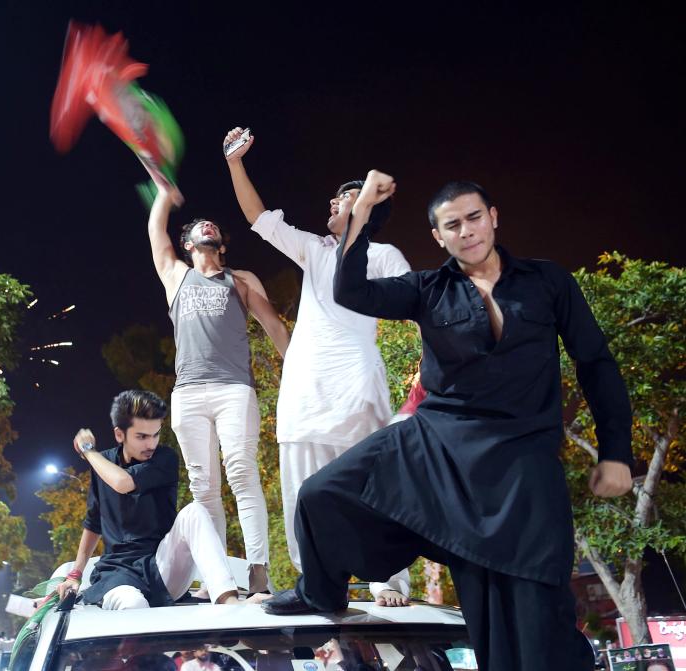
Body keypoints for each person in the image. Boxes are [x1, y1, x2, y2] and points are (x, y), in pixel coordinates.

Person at [263, 174, 633, 671]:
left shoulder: (548, 281)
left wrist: (616, 452)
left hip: (522, 463)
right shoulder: (427, 289)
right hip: (436, 447)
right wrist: (363, 215)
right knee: (320, 495)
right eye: (452, 225)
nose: (467, 231)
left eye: (474, 217)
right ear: (439, 237)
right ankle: (321, 591)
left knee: (529, 624)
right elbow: (349, 290)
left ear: (493, 217)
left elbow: (596, 363)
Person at [222, 126, 413, 606]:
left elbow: (420, 310)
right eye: (334, 197)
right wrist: (235, 163)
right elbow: (258, 217)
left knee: (374, 486)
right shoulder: (314, 250)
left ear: (368, 207)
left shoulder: (386, 256)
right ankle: (317, 584)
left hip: (357, 392)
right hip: (305, 395)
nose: (333, 202)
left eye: (345, 197)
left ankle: (388, 581)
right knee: (302, 494)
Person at [148, 185, 290, 592]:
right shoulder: (177, 277)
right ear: (189, 244)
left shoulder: (241, 281)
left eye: (213, 227)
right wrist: (163, 195)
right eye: (197, 227)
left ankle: (258, 568)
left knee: (242, 472)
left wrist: (300, 370)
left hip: (233, 390)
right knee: (203, 487)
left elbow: (276, 328)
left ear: (221, 245)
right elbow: (156, 233)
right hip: (188, 394)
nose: (206, 227)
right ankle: (218, 576)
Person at [57, 389, 270, 609]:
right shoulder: (103, 465)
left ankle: (230, 602)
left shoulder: (164, 458)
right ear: (120, 435)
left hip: (162, 566)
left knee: (195, 511)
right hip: (117, 574)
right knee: (133, 604)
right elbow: (93, 524)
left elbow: (123, 483)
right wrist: (75, 574)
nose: (151, 444)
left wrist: (88, 452)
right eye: (141, 436)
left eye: (155, 434)